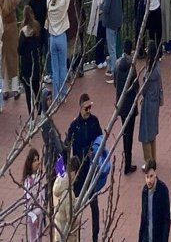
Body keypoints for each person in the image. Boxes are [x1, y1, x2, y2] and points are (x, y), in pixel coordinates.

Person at [65, 92, 101, 242]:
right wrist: (63, 168)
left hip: (91, 170)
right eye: (86, 108)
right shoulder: (74, 126)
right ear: (80, 108)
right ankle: (75, 236)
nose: (89, 111)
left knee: (94, 205)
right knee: (76, 207)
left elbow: (100, 139)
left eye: (90, 107)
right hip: (79, 173)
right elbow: (66, 146)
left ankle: (95, 237)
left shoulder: (94, 121)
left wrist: (96, 152)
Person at [47, 0, 72, 100]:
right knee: (63, 67)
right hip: (61, 37)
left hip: (52, 38)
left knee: (55, 69)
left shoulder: (49, 4)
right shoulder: (63, 3)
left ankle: (56, 95)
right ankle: (63, 94)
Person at [114, 39, 138, 175]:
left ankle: (126, 158)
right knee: (130, 133)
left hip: (121, 105)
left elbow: (115, 83)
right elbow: (136, 86)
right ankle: (128, 163)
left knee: (124, 132)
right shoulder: (132, 67)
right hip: (130, 105)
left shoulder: (117, 64)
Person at [138, 48, 163, 167]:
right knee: (152, 133)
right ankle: (154, 158)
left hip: (148, 104)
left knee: (145, 133)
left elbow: (144, 89)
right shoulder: (158, 67)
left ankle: (148, 161)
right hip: (155, 103)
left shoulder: (149, 71)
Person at [18, 5, 44, 114]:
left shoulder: (23, 32)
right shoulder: (37, 27)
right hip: (36, 62)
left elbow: (19, 50)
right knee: (37, 88)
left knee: (28, 92)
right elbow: (40, 43)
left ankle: (31, 114)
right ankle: (40, 110)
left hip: (26, 65)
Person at [100, 0, 123, 82]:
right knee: (114, 47)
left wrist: (101, 7)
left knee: (112, 48)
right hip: (117, 20)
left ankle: (115, 73)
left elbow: (107, 7)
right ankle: (114, 69)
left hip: (110, 22)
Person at [138, 160, 170, 242]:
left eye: (151, 176)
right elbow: (143, 216)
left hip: (157, 237)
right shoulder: (144, 191)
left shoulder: (163, 190)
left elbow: (166, 219)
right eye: (147, 177)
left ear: (155, 174)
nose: (149, 180)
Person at [52, 156, 81, 242]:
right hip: (67, 236)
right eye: (77, 173)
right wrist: (79, 212)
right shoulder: (68, 194)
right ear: (73, 172)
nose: (76, 177)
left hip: (58, 231)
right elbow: (71, 220)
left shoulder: (58, 182)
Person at [84, 0, 106, 71]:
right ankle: (98, 60)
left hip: (104, 11)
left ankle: (102, 58)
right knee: (99, 37)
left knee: (103, 37)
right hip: (98, 12)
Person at [22, 147, 45, 242]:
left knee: (40, 238)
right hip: (33, 217)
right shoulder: (28, 182)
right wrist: (33, 216)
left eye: (37, 160)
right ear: (30, 163)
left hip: (40, 213)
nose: (37, 163)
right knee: (33, 239)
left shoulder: (39, 177)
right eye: (34, 160)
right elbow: (26, 204)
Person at [67, 0, 84, 75]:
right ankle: (80, 67)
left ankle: (72, 68)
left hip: (71, 21)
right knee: (80, 44)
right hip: (80, 18)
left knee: (71, 46)